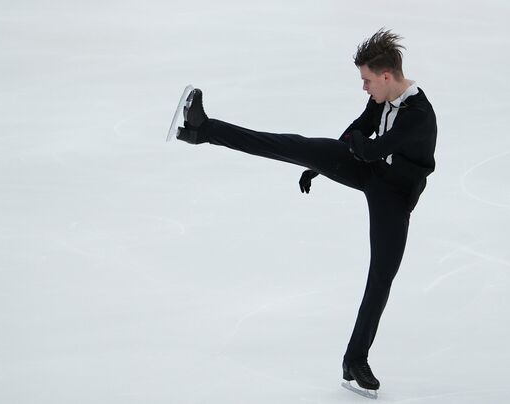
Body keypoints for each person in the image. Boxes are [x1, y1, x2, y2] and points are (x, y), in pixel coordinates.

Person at [175, 28, 437, 392]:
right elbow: (359, 132)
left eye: (366, 81)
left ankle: (354, 360)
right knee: (296, 145)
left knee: (381, 277)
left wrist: (348, 150)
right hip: (371, 170)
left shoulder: (419, 115)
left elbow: (369, 148)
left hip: (394, 195)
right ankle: (204, 130)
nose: (364, 88)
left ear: (387, 76)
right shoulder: (382, 98)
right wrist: (321, 163)